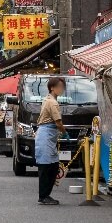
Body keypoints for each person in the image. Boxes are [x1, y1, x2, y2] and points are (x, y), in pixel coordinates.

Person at [35, 76, 67, 205]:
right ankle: (43, 196)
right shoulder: (52, 102)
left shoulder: (48, 99)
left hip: (47, 134)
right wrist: (64, 132)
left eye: (62, 87)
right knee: (47, 166)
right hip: (46, 134)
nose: (61, 89)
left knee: (52, 165)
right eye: (59, 86)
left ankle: (45, 195)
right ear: (52, 88)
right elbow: (58, 122)